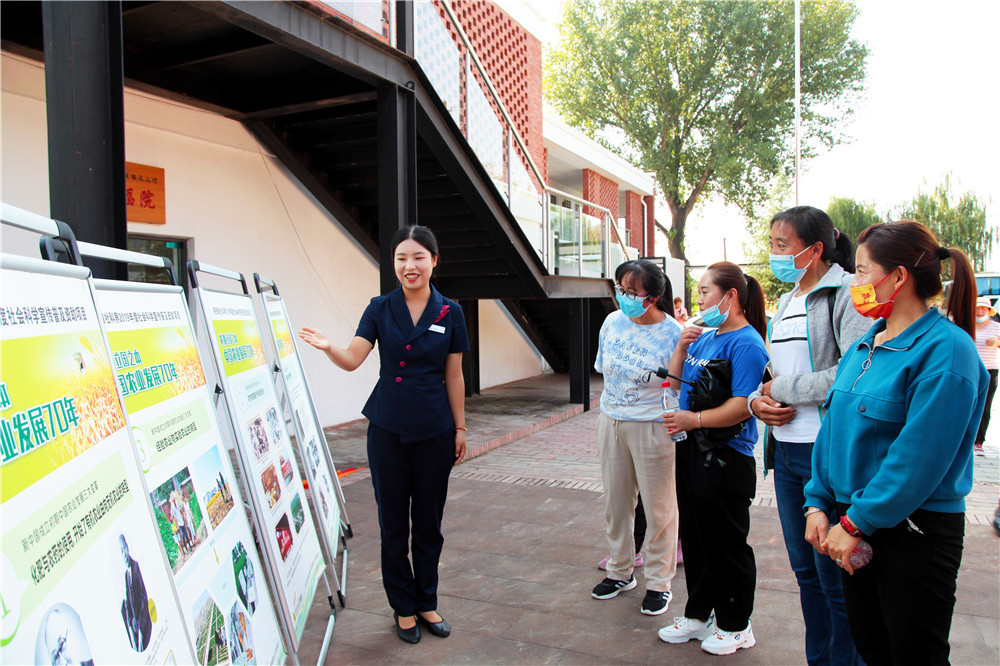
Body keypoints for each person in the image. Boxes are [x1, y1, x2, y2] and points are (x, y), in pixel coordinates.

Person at [803, 220, 989, 665]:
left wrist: (855, 524)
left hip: (913, 532)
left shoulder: (947, 351)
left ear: (899, 277)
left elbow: (918, 457)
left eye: (863, 272)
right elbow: (833, 430)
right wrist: (817, 503)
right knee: (872, 647)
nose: (855, 283)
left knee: (914, 653)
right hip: (854, 522)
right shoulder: (868, 343)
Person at [299, 225, 468, 644]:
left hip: (434, 429)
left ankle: (426, 600)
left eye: (417, 257)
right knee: (393, 523)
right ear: (393, 264)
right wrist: (328, 347)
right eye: (400, 259)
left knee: (429, 523)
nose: (409, 266)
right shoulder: (379, 308)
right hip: (388, 429)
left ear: (433, 260)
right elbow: (354, 358)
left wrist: (460, 427)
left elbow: (455, 375)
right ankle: (403, 607)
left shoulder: (451, 312)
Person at [747, 206, 868, 666]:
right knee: (806, 575)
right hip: (787, 454)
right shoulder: (788, 300)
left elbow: (853, 373)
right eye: (773, 244)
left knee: (834, 578)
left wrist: (783, 389)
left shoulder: (846, 293)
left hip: (829, 453)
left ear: (815, 249)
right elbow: (776, 371)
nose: (774, 253)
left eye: (782, 245)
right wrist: (761, 401)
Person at [658, 262, 769, 656]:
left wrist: (696, 419)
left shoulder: (747, 343)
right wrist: (681, 347)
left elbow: (743, 405)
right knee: (697, 537)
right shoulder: (704, 338)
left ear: (730, 296)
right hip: (691, 448)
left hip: (725, 455)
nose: (699, 299)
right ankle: (698, 614)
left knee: (726, 542)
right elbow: (673, 383)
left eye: (705, 291)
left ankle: (737, 625)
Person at [591, 260, 684, 616]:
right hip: (611, 421)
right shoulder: (612, 321)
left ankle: (659, 582)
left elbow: (677, 386)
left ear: (654, 297)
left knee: (660, 507)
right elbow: (604, 369)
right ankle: (620, 571)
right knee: (616, 503)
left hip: (653, 426)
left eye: (632, 292)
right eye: (620, 289)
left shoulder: (674, 334)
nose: (624, 298)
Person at [973, 297, 998, 456]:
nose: (980, 311)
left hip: (989, 369)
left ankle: (978, 442)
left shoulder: (996, 327)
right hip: (971, 368)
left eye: (983, 308)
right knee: (969, 404)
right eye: (977, 308)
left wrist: (996, 342)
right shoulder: (967, 325)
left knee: (985, 407)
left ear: (989, 311)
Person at [119, 534, 152, 652]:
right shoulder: (126, 575)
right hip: (135, 626)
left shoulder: (137, 567)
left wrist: (139, 621)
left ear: (127, 548)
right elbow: (128, 602)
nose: (123, 553)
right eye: (120, 551)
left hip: (144, 622)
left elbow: (144, 597)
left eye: (124, 549)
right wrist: (131, 621)